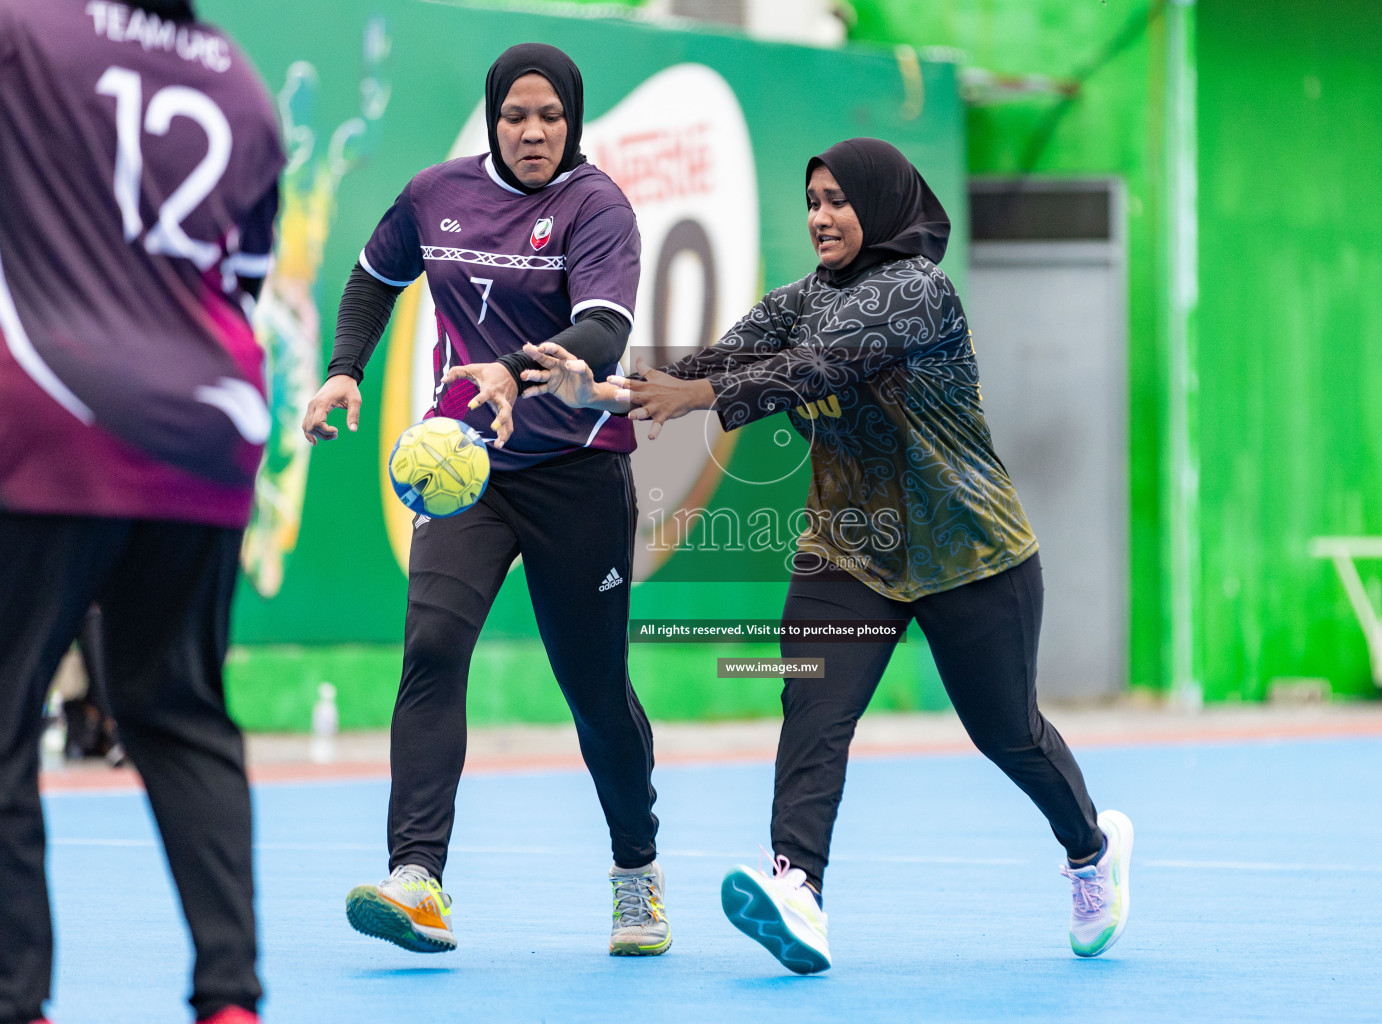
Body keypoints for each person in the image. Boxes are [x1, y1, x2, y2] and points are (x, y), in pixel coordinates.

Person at [520, 137, 1134, 974]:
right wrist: (603, 386)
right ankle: (797, 889)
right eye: (812, 201)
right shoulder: (800, 298)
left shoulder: (919, 291)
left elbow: (819, 367)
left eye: (838, 201)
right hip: (847, 549)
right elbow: (717, 360)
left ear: (879, 205)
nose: (820, 216)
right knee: (814, 716)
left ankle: (1091, 851)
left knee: (1007, 733)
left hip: (969, 551)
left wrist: (702, 397)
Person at [300, 43, 670, 958]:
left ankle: (636, 869)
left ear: (572, 121)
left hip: (575, 474)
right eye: (516, 116)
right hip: (464, 464)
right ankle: (417, 877)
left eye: (550, 116)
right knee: (430, 647)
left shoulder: (597, 208)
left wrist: (508, 370)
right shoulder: (436, 195)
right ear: (493, 118)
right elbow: (372, 278)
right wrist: (345, 371)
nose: (534, 131)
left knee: (593, 691)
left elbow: (604, 331)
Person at [0, 0, 285, 1020]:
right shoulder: (245, 88)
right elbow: (239, 281)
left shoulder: (25, 31)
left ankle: (17, 998)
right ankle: (230, 997)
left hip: (53, 416)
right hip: (207, 426)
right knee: (180, 707)